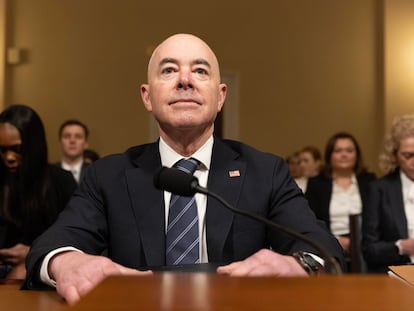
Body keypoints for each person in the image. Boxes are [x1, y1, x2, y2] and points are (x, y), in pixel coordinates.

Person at [23, 33, 344, 304]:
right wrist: (67, 263)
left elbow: (323, 248)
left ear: (220, 98)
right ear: (147, 97)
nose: (185, 80)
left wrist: (297, 264)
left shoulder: (265, 170)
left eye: (200, 71)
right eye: (169, 71)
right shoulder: (108, 175)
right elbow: (50, 246)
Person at [0, 104, 77, 279]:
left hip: (41, 271)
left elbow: (74, 238)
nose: (9, 157)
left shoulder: (61, 181)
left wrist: (34, 253)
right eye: (2, 150)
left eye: (17, 149)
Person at [305, 132, 376, 259]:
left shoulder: (370, 181)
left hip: (365, 249)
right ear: (329, 155)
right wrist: (334, 240)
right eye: (338, 151)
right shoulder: (317, 184)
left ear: (357, 155)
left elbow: (377, 219)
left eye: (349, 150)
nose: (344, 155)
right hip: (328, 249)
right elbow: (311, 220)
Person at [362, 115, 414, 273]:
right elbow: (369, 250)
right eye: (408, 155)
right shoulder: (380, 189)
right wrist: (402, 247)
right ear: (395, 156)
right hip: (397, 274)